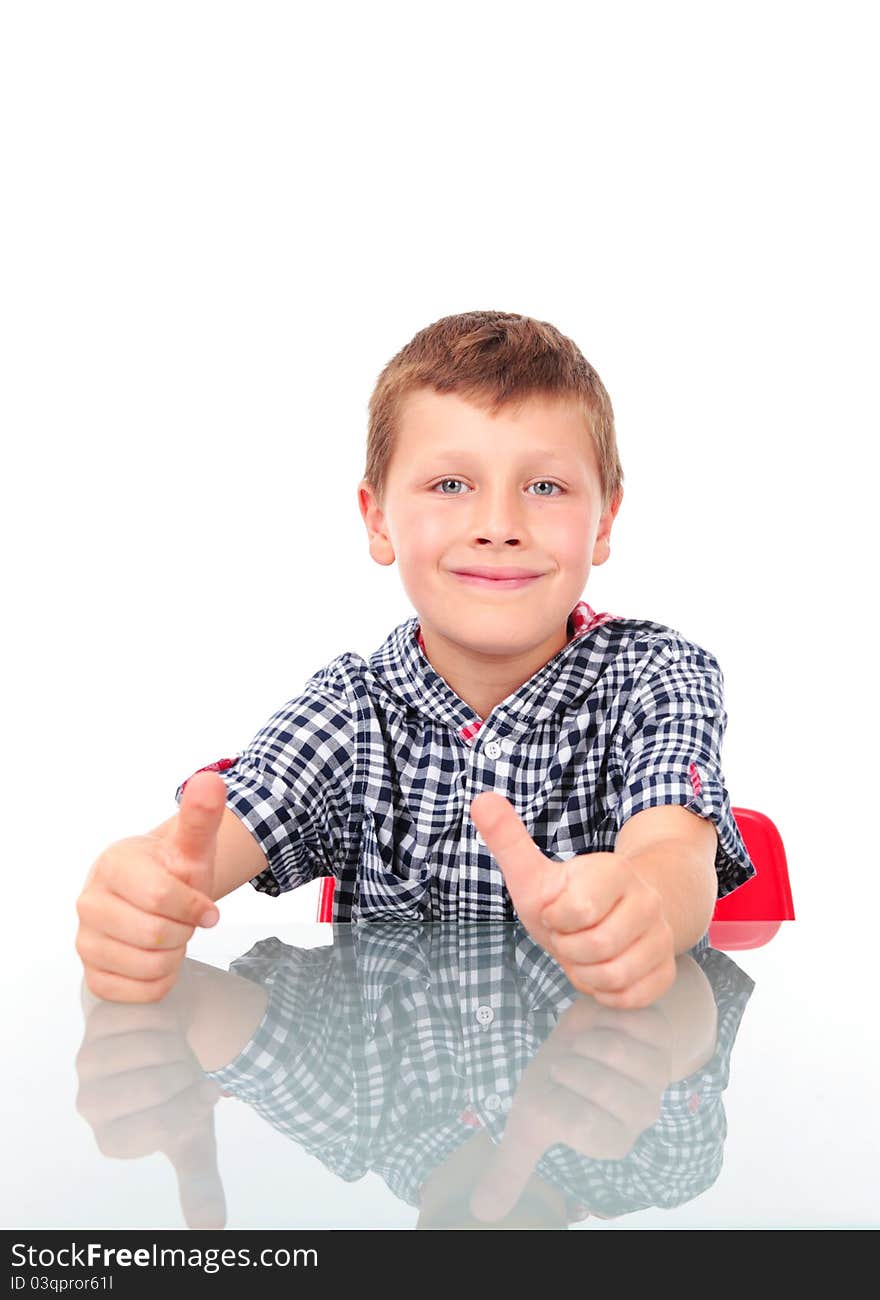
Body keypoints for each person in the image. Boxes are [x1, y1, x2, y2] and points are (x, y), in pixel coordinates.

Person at [75, 310, 756, 1008]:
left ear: (604, 521)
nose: (498, 528)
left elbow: (674, 856)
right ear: (378, 520)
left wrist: (639, 906)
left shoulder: (660, 676)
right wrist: (142, 898)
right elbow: (210, 844)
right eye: (451, 486)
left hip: (617, 1083)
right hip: (388, 1109)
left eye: (545, 487)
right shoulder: (348, 714)